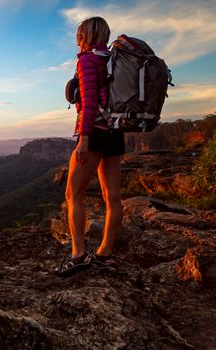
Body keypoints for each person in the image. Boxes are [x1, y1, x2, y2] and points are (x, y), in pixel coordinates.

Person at [58, 16, 125, 276]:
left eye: (79, 33)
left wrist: (84, 139)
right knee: (113, 197)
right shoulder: (114, 59)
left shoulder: (87, 60)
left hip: (94, 133)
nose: (77, 37)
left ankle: (77, 255)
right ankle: (105, 253)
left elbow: (87, 102)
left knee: (73, 194)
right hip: (116, 132)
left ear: (85, 35)